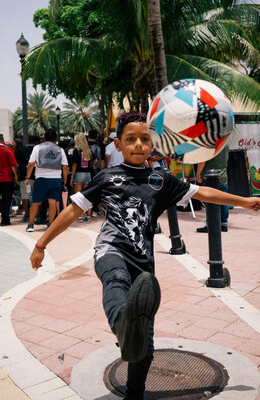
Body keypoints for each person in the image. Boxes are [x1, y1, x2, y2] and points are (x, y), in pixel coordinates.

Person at [29, 111, 260, 400]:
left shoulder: (162, 180)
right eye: (130, 139)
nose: (138, 144)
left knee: (143, 348)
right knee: (115, 280)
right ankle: (120, 325)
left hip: (143, 268)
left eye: (144, 139)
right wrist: (41, 244)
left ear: (152, 144)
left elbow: (204, 193)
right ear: (119, 144)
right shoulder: (107, 177)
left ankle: (134, 393)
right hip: (110, 251)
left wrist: (244, 201)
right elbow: (73, 210)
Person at [25, 128, 68, 232]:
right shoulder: (60, 149)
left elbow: (31, 164)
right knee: (52, 201)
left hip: (41, 178)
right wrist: (65, 180)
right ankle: (50, 224)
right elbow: (65, 166)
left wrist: (27, 177)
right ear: (56, 139)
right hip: (56, 178)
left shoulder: (37, 148)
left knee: (36, 201)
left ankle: (30, 225)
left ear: (44, 138)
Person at [196, 145, 230, 232]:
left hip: (209, 176)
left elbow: (203, 160)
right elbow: (227, 158)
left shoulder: (208, 143)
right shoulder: (225, 143)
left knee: (210, 200)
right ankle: (223, 224)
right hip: (223, 175)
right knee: (224, 201)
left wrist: (198, 174)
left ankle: (210, 225)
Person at [70, 132, 98, 221]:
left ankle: (80, 216)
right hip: (87, 174)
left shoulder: (76, 150)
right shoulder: (88, 150)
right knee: (87, 196)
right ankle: (88, 215)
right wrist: (90, 166)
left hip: (78, 174)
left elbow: (74, 165)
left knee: (78, 197)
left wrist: (72, 177)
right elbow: (96, 160)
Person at [0, 134, 18, 226]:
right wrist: (15, 176)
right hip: (7, 179)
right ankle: (5, 220)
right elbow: (13, 165)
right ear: (3, 140)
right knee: (6, 200)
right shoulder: (8, 150)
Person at [15, 135, 40, 222]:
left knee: (25, 196)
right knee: (37, 197)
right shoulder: (38, 150)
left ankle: (27, 215)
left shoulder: (21, 150)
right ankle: (37, 215)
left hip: (24, 177)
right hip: (37, 176)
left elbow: (16, 163)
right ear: (37, 142)